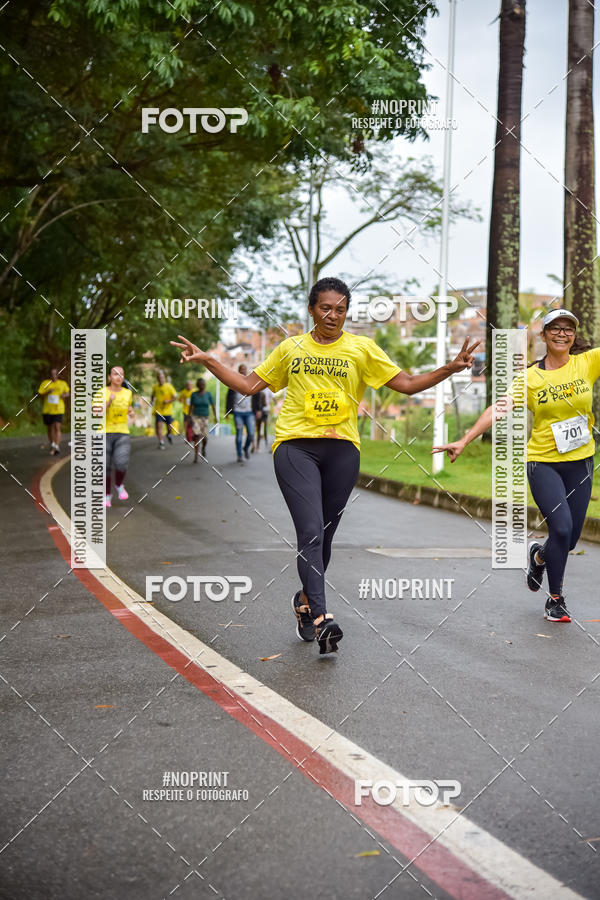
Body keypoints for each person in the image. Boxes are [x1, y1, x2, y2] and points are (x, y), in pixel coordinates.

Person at [172, 276, 479, 655]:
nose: (333, 315)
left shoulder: (362, 349)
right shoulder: (290, 348)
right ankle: (321, 618)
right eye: (325, 308)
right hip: (295, 447)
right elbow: (249, 385)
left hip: (342, 451)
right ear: (311, 309)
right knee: (310, 532)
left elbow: (408, 383)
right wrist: (209, 360)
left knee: (325, 537)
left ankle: (304, 601)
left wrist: (450, 368)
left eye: (340, 309)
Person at [433, 309, 600, 624]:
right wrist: (465, 439)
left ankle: (539, 555)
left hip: (581, 463)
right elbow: (496, 409)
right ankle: (556, 599)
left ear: (574, 336)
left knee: (570, 539)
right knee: (561, 528)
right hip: (544, 463)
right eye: (555, 328)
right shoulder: (530, 379)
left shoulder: (588, 363)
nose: (562, 333)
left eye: (568, 329)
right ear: (544, 335)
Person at [95, 366, 134, 508]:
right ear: (109, 377)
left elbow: (129, 410)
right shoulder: (101, 393)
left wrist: (131, 413)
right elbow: (96, 413)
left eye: (121, 374)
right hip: (103, 433)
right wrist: (109, 402)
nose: (118, 377)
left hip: (122, 432)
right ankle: (106, 495)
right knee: (104, 466)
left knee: (121, 463)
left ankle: (118, 485)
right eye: (115, 374)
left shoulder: (128, 393)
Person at [226, 364, 255, 463]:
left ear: (246, 371)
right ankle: (239, 455)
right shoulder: (234, 383)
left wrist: (258, 409)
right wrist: (227, 412)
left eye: (244, 369)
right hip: (238, 412)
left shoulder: (251, 382)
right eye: (241, 369)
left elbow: (257, 394)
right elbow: (228, 398)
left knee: (251, 434)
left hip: (249, 412)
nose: (243, 371)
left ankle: (245, 448)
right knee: (239, 434)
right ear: (239, 371)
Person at [38, 367, 70, 455]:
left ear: (58, 375)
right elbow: (40, 394)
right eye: (52, 374)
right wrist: (48, 391)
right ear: (50, 375)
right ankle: (53, 444)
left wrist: (64, 395)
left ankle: (57, 446)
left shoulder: (62, 383)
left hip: (59, 409)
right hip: (48, 410)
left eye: (55, 374)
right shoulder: (45, 383)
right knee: (50, 428)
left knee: (57, 426)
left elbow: (68, 393)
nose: (53, 376)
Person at [189, 378, 216, 462]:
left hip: (205, 417)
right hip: (196, 417)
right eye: (200, 384)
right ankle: (196, 455)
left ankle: (203, 448)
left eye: (203, 384)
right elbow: (191, 406)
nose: (202, 386)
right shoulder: (194, 395)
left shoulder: (208, 394)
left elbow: (212, 406)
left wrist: (215, 417)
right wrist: (189, 417)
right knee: (197, 435)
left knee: (205, 437)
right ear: (198, 385)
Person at [151, 370, 177, 449]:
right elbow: (152, 395)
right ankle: (161, 442)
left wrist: (168, 401)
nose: (161, 379)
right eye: (159, 378)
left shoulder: (169, 386)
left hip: (167, 411)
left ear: (164, 378)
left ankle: (168, 434)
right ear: (157, 379)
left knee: (169, 428)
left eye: (162, 378)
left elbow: (175, 396)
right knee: (159, 427)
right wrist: (151, 401)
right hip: (159, 411)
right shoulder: (155, 387)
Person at [179, 379, 195, 445]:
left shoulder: (194, 391)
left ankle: (193, 437)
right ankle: (187, 438)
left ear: (192, 385)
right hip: (186, 411)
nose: (188, 386)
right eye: (187, 385)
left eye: (190, 385)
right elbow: (180, 399)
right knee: (186, 425)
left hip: (193, 411)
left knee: (193, 424)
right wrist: (181, 400)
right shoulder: (183, 392)